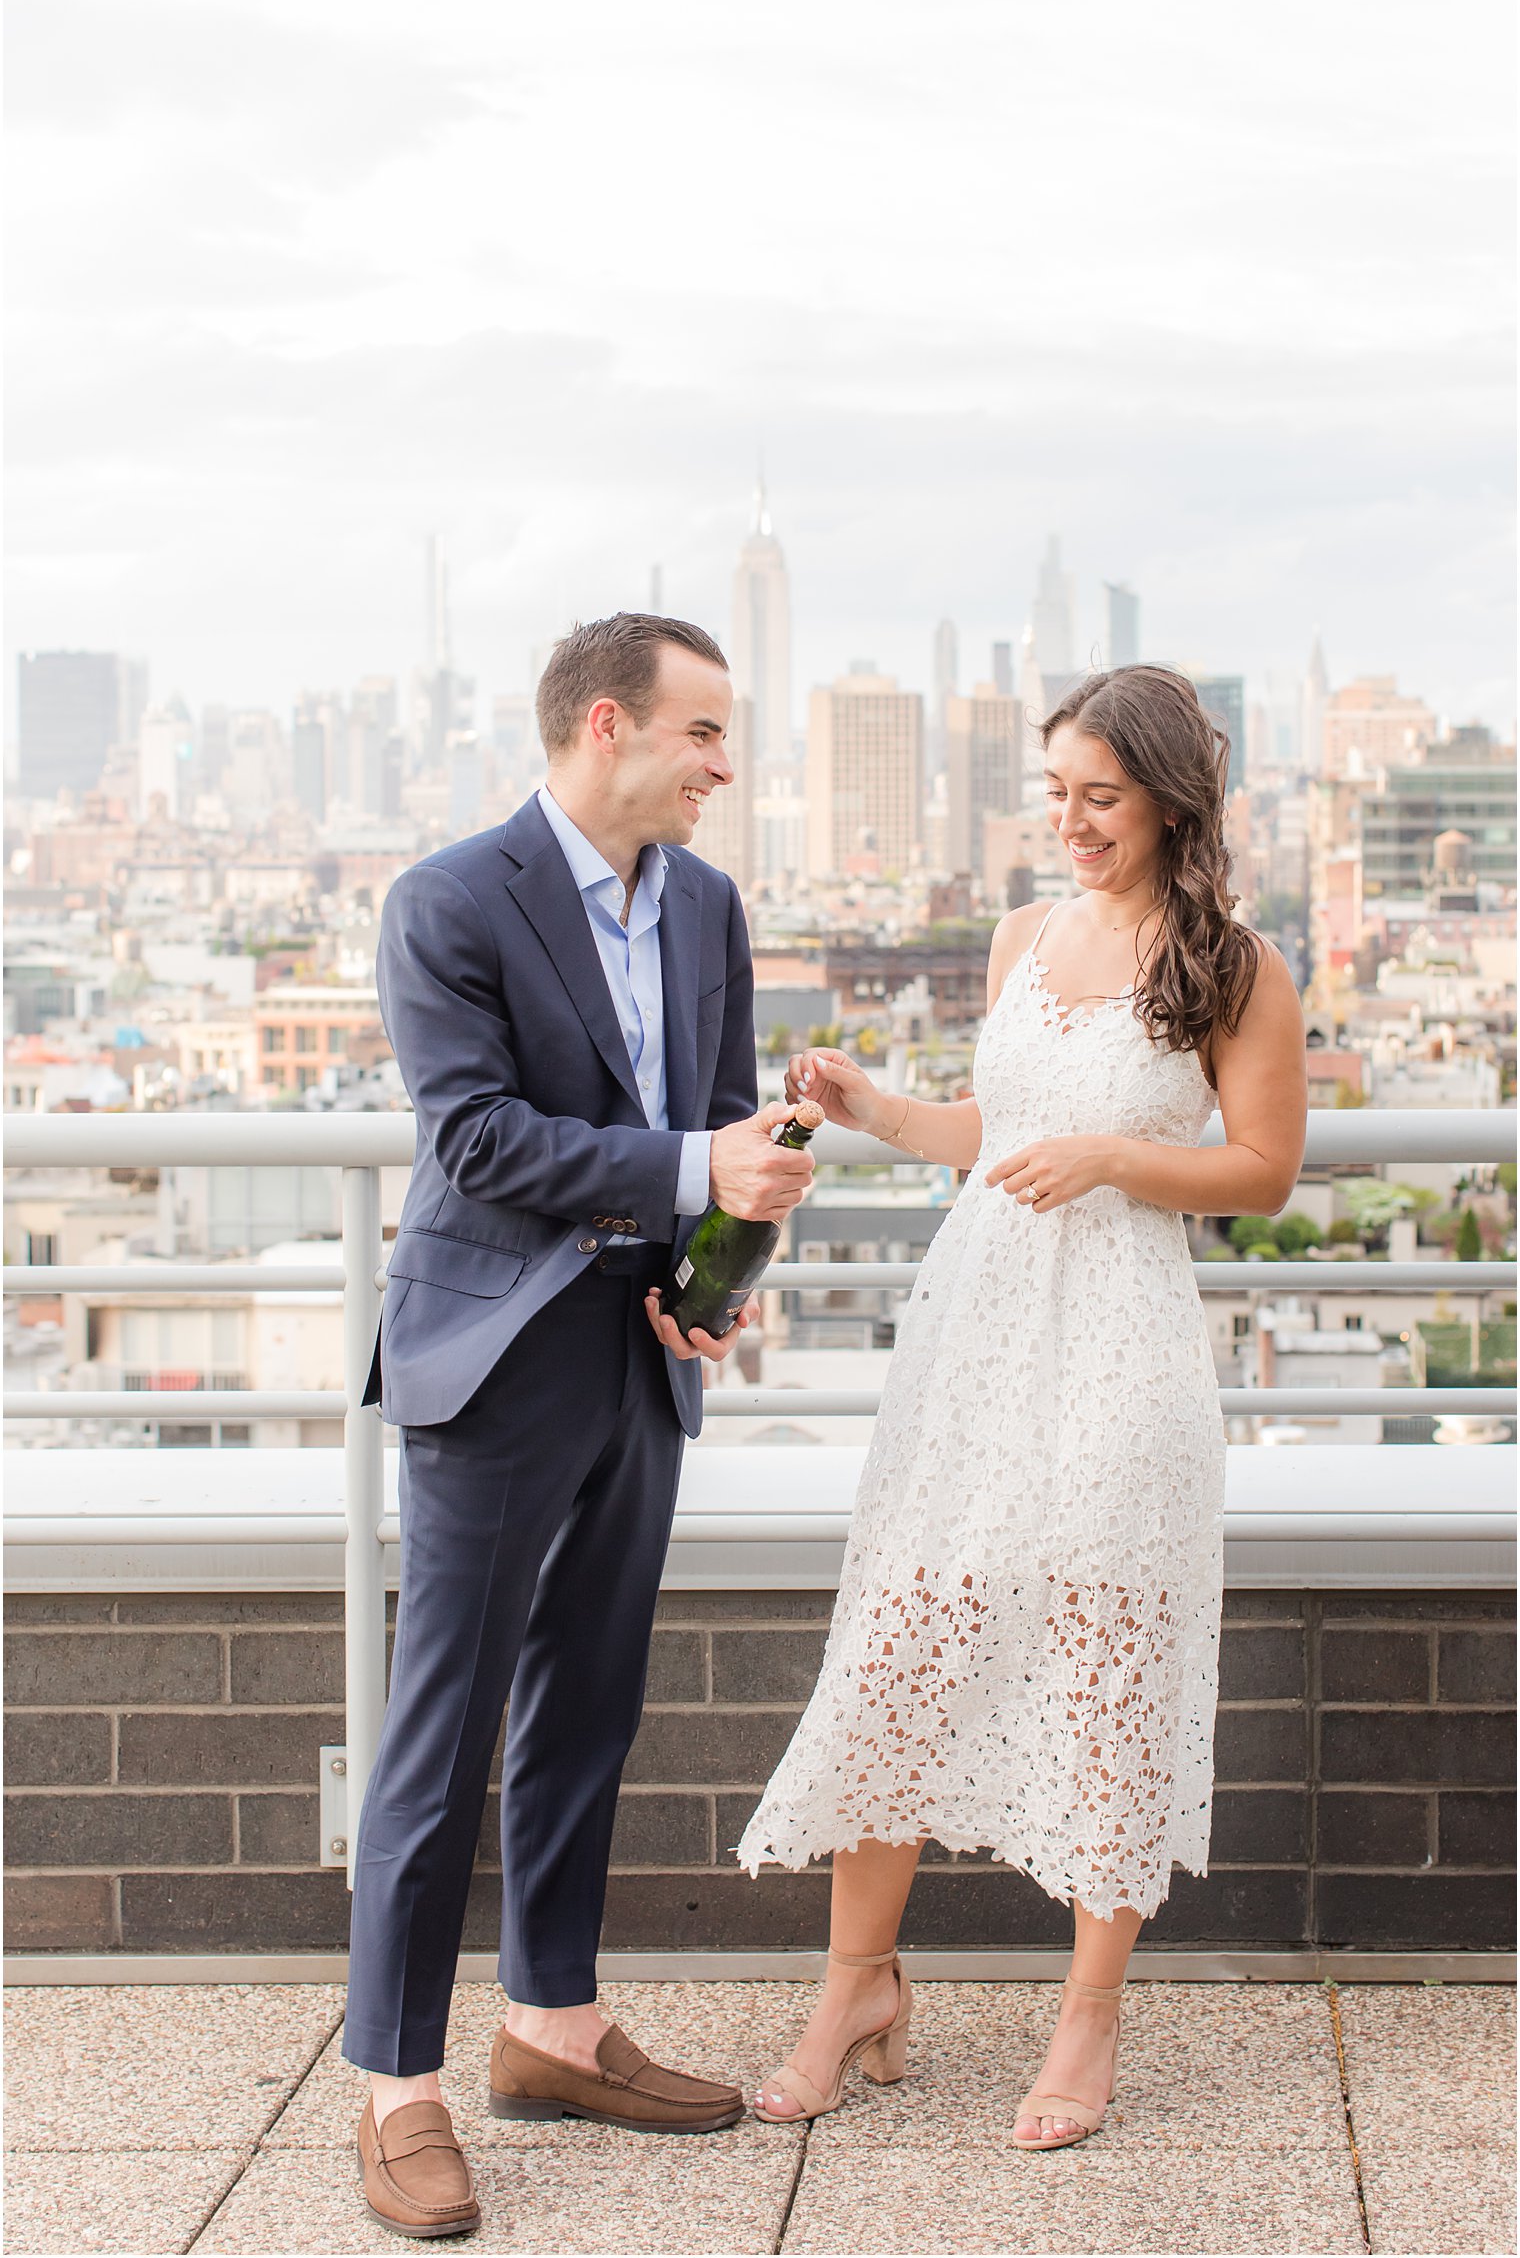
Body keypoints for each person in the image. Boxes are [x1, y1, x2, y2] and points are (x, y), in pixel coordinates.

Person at [738, 665, 1306, 2149]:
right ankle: (854, 1983)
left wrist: (1116, 1158)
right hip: (977, 1333)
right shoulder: (1019, 935)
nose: (1069, 821)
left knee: (1112, 1650)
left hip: (1122, 1344)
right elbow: (996, 1135)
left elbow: (1261, 1169)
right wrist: (875, 1108)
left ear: (1173, 798)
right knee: (906, 1641)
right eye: (1054, 791)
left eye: (1097, 797)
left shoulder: (1239, 963)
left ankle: (1089, 2014)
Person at [345, 613, 814, 2238]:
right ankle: (397, 2089)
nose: (723, 765)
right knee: (443, 1721)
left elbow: (736, 1121)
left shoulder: (711, 906)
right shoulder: (452, 899)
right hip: (494, 1354)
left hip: (643, 1352)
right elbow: (473, 1139)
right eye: (702, 732)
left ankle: (550, 2024)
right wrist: (696, 1170)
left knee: (589, 1704)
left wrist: (715, 1272)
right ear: (605, 724)